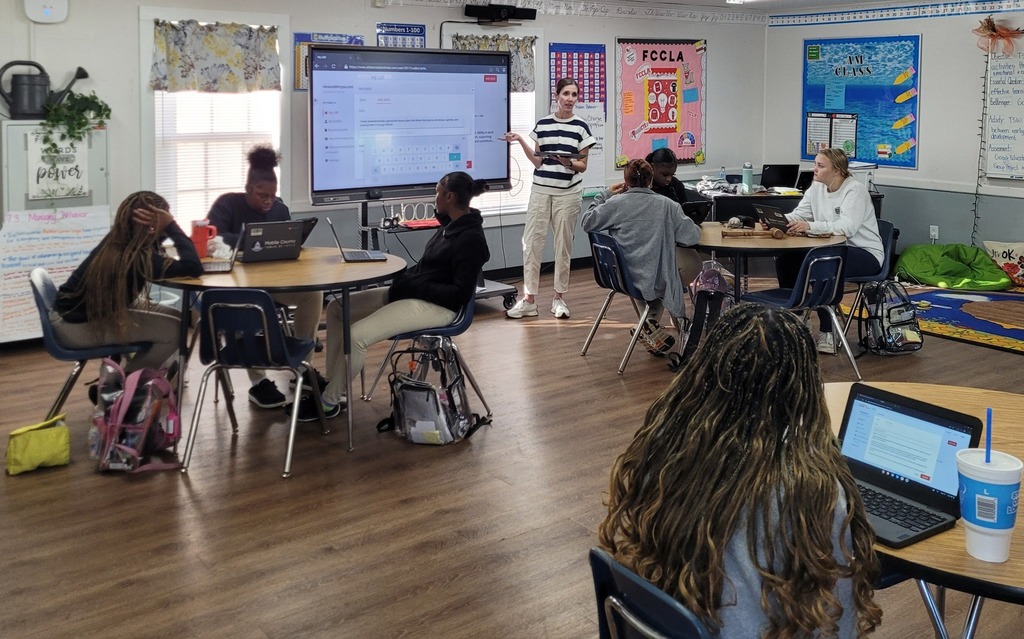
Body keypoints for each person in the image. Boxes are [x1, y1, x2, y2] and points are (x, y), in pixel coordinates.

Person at [599, 303, 882, 639]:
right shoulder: (813, 490)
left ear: (708, 367)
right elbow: (839, 623)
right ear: (804, 385)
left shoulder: (665, 441)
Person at [297, 171, 491, 421]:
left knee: (356, 337)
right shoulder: (449, 228)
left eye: (437, 193)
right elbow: (428, 271)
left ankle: (328, 402)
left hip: (439, 307)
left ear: (450, 197)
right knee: (337, 308)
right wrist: (408, 284)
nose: (435, 198)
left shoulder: (470, 239)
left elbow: (459, 295)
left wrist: (412, 287)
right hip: (416, 295)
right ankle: (335, 386)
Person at [207, 144, 325, 409]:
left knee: (313, 293)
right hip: (238, 288)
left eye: (272, 196)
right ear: (248, 189)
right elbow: (212, 237)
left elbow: (288, 242)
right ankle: (258, 382)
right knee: (249, 304)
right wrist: (249, 241)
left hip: (274, 283)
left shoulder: (279, 210)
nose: (268, 201)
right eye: (262, 195)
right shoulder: (228, 204)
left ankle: (304, 366)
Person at [52, 191, 203, 374]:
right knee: (175, 332)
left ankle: (119, 379)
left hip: (68, 317)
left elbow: (156, 246)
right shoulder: (138, 258)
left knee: (174, 316)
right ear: (152, 227)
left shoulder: (119, 240)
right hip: (75, 329)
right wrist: (171, 226)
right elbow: (193, 267)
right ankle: (124, 388)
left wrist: (160, 228)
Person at [581, 158, 701, 355]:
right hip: (654, 276)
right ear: (650, 180)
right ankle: (650, 324)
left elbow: (587, 222)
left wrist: (605, 194)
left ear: (625, 181)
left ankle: (649, 325)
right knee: (675, 270)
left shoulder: (615, 204)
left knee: (655, 271)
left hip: (622, 276)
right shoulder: (667, 206)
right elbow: (691, 236)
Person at [504, 77, 596, 320]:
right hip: (541, 191)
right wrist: (522, 140)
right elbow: (537, 160)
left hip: (568, 194)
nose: (570, 99)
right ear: (556, 96)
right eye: (566, 93)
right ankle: (529, 300)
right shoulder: (543, 125)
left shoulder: (581, 127)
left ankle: (558, 299)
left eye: (574, 94)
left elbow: (583, 166)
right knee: (532, 244)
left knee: (563, 246)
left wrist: (569, 162)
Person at [777, 148, 883, 354]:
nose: (814, 169)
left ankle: (828, 330)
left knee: (823, 263)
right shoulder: (816, 187)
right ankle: (795, 317)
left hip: (864, 252)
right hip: (831, 248)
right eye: (815, 164)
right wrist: (779, 220)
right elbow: (800, 214)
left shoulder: (855, 191)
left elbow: (847, 228)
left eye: (820, 166)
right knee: (786, 260)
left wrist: (810, 227)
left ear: (838, 171)